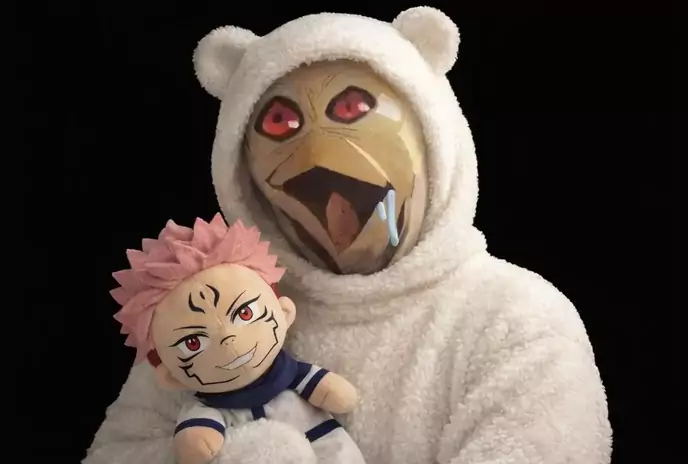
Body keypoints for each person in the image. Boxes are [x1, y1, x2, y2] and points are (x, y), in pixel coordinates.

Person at [85, 7, 612, 464]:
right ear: (241, 172)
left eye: (352, 107)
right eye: (280, 120)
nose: (317, 145)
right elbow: (119, 451)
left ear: (434, 130)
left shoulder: (517, 318)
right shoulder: (212, 313)